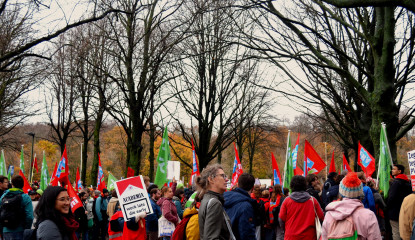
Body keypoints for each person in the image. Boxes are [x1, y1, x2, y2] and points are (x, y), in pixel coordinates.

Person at [321, 172, 381, 240]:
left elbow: (324, 237)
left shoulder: (329, 214)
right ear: (360, 192)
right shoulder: (368, 216)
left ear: (341, 192)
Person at [279, 175, 324, 240]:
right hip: (309, 236)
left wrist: (286, 229)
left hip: (291, 236)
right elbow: (321, 216)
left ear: (292, 186)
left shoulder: (287, 201)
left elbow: (281, 219)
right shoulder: (313, 201)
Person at [197, 164, 234, 240]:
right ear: (211, 179)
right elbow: (211, 238)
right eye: (223, 176)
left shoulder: (207, 199)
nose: (226, 179)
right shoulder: (214, 203)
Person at [223, 173, 257, 240]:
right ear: (253, 188)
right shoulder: (246, 206)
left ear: (238, 185)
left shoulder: (222, 198)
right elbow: (246, 233)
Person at [0, 175, 33, 240]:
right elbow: (30, 217)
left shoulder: (4, 196)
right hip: (20, 230)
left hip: (6, 230)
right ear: (23, 185)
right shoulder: (25, 197)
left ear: (12, 184)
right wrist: (27, 229)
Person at [387, 164, 412, 240]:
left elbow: (391, 198)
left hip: (395, 212)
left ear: (399, 171)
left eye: (394, 169)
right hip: (405, 211)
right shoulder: (408, 183)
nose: (392, 170)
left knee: (396, 232)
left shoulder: (396, 183)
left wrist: (387, 207)